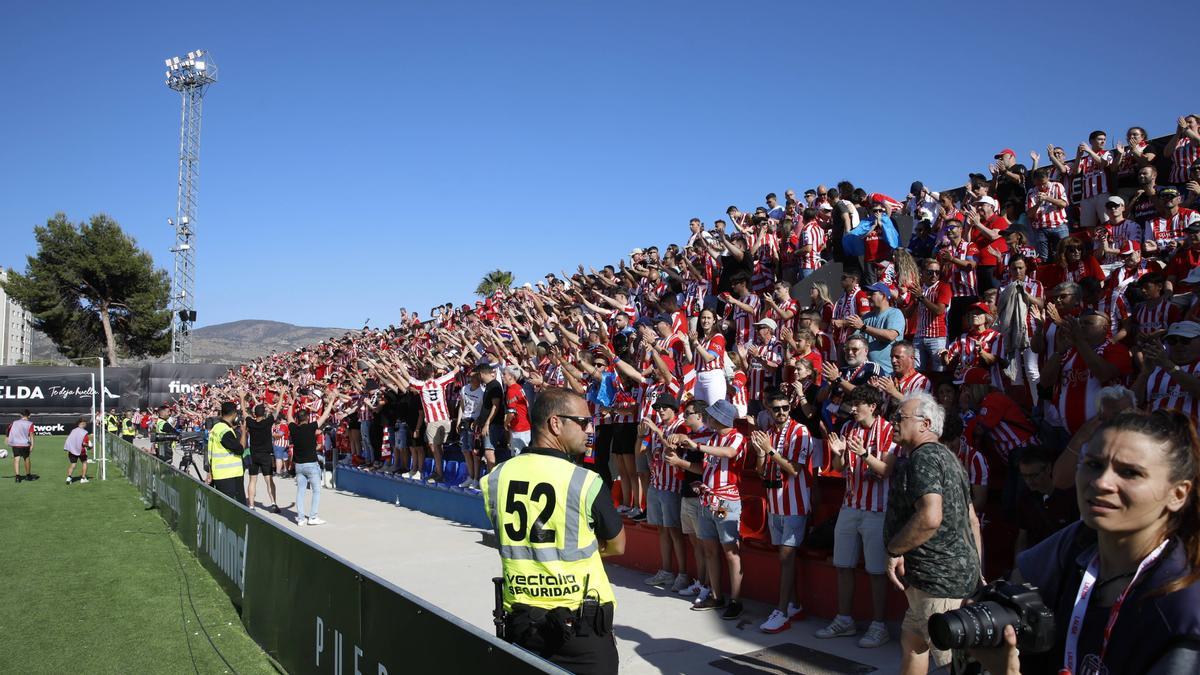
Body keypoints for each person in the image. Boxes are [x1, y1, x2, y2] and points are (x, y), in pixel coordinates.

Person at [971, 410, 1200, 675]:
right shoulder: (1074, 548)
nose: (1102, 482)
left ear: (1178, 494)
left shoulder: (1182, 607)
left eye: (1129, 472)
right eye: (1093, 464)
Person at [481, 388, 624, 675]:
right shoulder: (585, 481)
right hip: (581, 628)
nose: (591, 429)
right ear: (556, 423)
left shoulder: (495, 478)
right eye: (583, 422)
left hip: (521, 623)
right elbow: (618, 545)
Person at [884, 391, 982, 674]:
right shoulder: (950, 459)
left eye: (900, 417)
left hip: (937, 581)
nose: (893, 421)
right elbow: (972, 520)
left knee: (953, 664)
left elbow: (929, 517)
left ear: (925, 424)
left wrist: (894, 550)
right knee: (913, 642)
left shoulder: (923, 459)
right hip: (936, 580)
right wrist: (977, 569)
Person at [817, 385, 898, 648]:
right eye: (852, 404)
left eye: (858, 404)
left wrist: (864, 453)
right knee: (843, 565)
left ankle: (879, 625)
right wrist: (839, 454)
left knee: (876, 571)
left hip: (877, 510)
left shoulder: (888, 430)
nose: (852, 409)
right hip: (850, 505)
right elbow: (840, 469)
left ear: (872, 406)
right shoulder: (847, 429)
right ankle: (844, 619)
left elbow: (886, 470)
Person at [668, 399, 747, 619]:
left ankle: (736, 600)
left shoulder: (736, 436)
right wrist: (681, 461)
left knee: (730, 551)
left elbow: (730, 453)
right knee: (710, 549)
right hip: (707, 499)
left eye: (711, 415)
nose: (707, 418)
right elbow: (701, 465)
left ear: (721, 418)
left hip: (724, 502)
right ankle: (716, 594)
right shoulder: (712, 437)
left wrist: (697, 446)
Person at [752, 390, 814, 633]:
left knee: (786, 558)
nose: (781, 412)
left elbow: (794, 470)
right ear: (768, 410)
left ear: (791, 407)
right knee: (785, 558)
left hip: (794, 504)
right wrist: (760, 455)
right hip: (774, 503)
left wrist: (769, 451)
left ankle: (781, 611)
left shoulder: (800, 432)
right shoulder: (768, 434)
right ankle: (795, 605)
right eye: (776, 408)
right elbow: (760, 471)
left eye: (785, 407)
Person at [1013, 445, 1079, 562]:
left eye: (1034, 475)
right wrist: (1018, 566)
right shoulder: (1025, 498)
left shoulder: (1070, 496)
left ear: (1048, 468)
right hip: (1039, 562)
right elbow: (1023, 536)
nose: (1029, 481)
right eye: (1024, 476)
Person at [285, 387, 340, 526]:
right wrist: (332, 400)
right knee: (316, 491)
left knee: (300, 492)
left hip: (299, 465)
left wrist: (291, 404)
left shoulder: (293, 428)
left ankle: (301, 518)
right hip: (311, 464)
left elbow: (288, 417)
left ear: (298, 419)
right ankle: (313, 517)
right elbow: (324, 416)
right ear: (306, 418)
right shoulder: (311, 427)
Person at [240, 393, 282, 513]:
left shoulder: (251, 422)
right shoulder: (268, 422)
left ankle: (251, 505)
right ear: (264, 414)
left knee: (252, 480)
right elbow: (277, 410)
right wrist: (282, 394)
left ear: (254, 414)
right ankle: (273, 503)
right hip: (265, 455)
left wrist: (242, 398)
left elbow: (244, 412)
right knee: (269, 480)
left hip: (253, 455)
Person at [206, 401, 248, 504]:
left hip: (219, 474)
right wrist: (243, 433)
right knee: (236, 508)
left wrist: (209, 472)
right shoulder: (225, 432)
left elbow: (211, 453)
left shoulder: (216, 427)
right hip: (230, 476)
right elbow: (240, 450)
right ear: (234, 414)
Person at [7, 409, 36, 483]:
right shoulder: (30, 423)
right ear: (29, 415)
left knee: (16, 459)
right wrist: (32, 444)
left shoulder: (14, 422)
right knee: (26, 459)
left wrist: (8, 439)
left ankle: (17, 477)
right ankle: (28, 476)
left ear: (20, 415)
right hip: (25, 444)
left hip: (15, 444)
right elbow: (31, 435)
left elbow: (8, 430)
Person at [64, 416, 91, 484]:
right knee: (84, 463)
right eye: (85, 423)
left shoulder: (73, 430)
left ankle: (69, 477)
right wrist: (89, 446)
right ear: (83, 423)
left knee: (73, 464)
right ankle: (83, 478)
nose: (86, 425)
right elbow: (84, 443)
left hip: (72, 450)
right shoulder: (84, 432)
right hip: (81, 451)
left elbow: (69, 440)